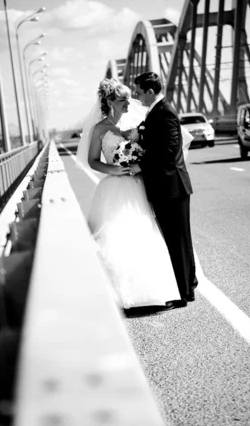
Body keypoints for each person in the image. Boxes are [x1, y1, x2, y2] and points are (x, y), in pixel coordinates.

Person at [76, 78, 183, 314]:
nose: (129, 103)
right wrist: (113, 169)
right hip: (115, 185)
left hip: (136, 184)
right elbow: (93, 161)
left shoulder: (133, 124)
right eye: (123, 99)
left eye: (128, 98)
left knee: (143, 232)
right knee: (117, 234)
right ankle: (120, 294)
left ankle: (151, 292)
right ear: (110, 102)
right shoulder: (100, 129)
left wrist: (138, 159)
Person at [130, 72, 198, 304]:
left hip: (171, 186)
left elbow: (169, 150)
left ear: (150, 90)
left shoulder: (165, 112)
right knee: (179, 238)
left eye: (138, 92)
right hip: (168, 186)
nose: (136, 97)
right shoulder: (156, 112)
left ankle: (183, 293)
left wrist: (140, 164)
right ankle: (188, 284)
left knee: (176, 239)